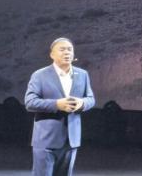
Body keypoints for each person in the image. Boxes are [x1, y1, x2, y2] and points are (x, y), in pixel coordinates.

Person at [23, 37, 95, 176]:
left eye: (70, 49)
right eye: (62, 49)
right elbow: (30, 102)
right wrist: (56, 104)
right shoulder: (39, 75)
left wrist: (82, 103)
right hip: (46, 140)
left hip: (71, 140)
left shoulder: (82, 75)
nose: (67, 52)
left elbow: (91, 99)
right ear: (52, 54)